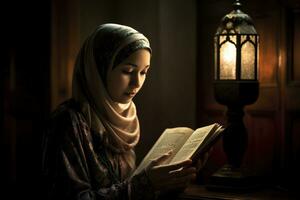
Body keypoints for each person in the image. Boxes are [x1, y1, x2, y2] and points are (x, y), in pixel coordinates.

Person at [41, 23, 208, 200]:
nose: (137, 83)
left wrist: (171, 181)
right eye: (128, 71)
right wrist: (144, 184)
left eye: (144, 72)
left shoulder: (125, 117)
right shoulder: (68, 122)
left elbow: (126, 188)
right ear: (100, 69)